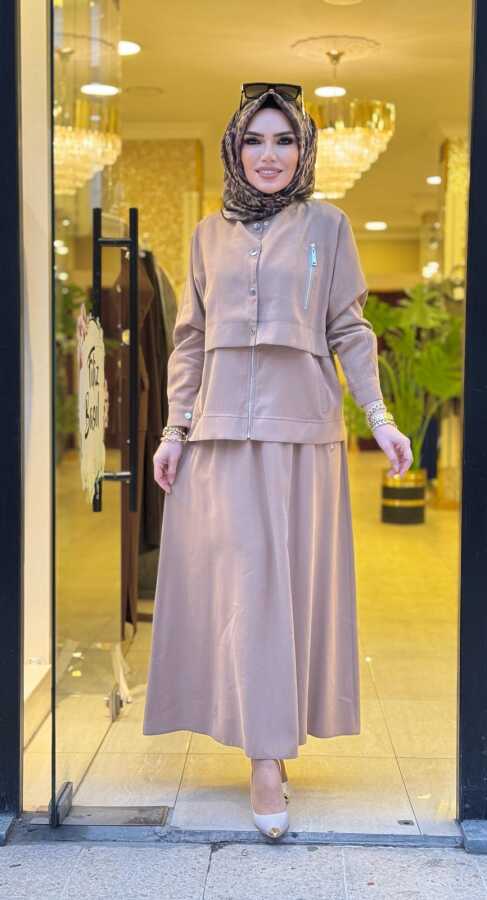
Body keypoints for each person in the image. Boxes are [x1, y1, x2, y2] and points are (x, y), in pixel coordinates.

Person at [143, 82, 413, 840]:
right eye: (254, 140)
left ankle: (269, 742)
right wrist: (173, 430)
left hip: (302, 437)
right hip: (221, 436)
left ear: (303, 149)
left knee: (283, 592)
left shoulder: (329, 226)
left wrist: (382, 419)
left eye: (284, 140)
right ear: (235, 149)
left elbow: (349, 330)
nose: (269, 155)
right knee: (243, 590)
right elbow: (190, 341)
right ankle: (265, 754)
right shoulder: (207, 236)